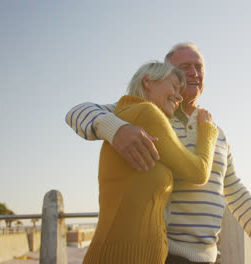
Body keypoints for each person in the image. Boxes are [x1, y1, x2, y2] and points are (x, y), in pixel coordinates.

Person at [65, 43, 251, 264]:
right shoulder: (148, 113)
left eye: (199, 67)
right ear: (164, 73)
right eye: (185, 67)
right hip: (163, 255)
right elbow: (77, 112)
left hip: (210, 257)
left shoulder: (217, 134)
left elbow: (235, 191)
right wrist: (116, 130)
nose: (193, 73)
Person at [82, 61, 219, 264]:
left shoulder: (127, 115)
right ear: (148, 82)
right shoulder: (147, 113)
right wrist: (208, 131)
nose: (179, 96)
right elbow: (198, 171)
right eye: (174, 86)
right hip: (129, 256)